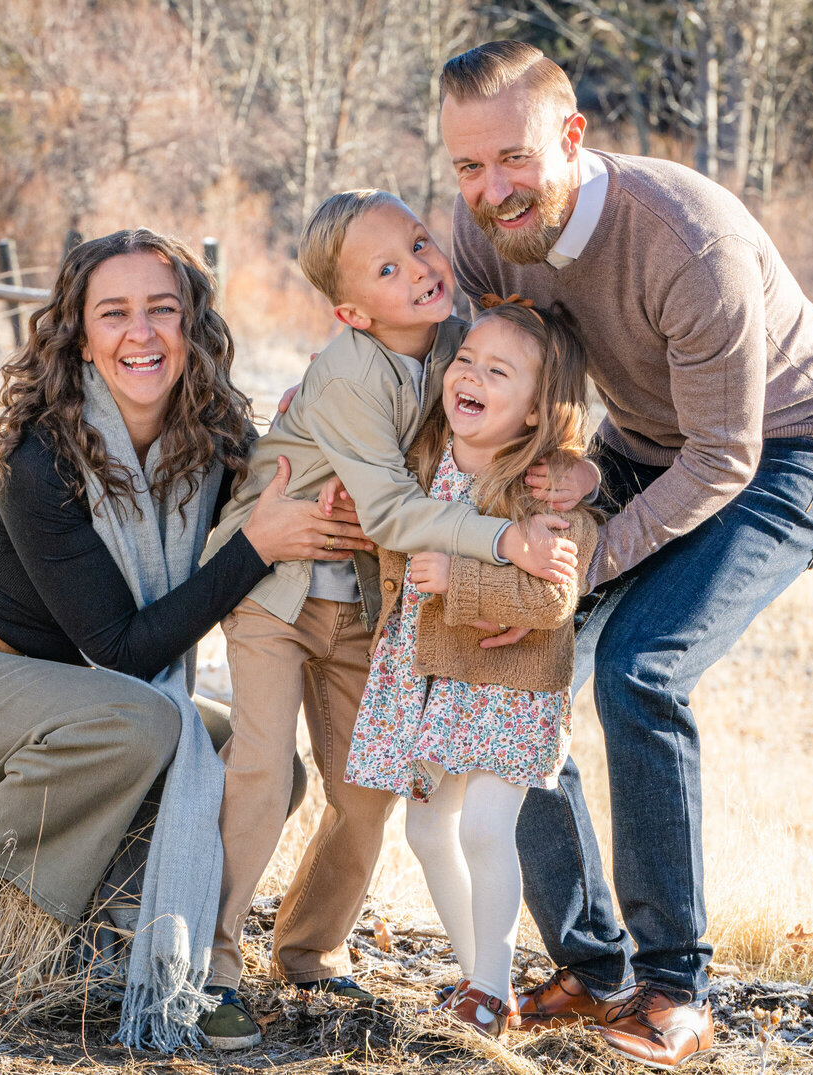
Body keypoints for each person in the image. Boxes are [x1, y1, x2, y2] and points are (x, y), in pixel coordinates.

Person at [438, 41, 813, 1068]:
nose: (490, 191)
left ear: (571, 137)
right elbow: (499, 378)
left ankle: (676, 986)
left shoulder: (686, 238)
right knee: (515, 651)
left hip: (784, 454)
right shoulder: (488, 230)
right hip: (634, 448)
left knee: (640, 670)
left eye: (512, 159)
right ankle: (597, 967)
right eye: (466, 167)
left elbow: (726, 452)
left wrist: (586, 557)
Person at [0, 229, 369, 1050]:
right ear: (80, 335)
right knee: (148, 720)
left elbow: (299, 481)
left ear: (192, 326)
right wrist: (255, 548)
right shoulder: (42, 461)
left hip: (76, 707)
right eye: (115, 313)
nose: (142, 333)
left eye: (162, 310)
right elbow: (125, 651)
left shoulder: (213, 442)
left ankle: (131, 934)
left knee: (262, 769)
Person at [195, 190, 584, 1050]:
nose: (418, 269)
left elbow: (528, 392)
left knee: (365, 789)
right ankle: (213, 966)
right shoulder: (345, 372)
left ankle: (305, 945)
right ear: (350, 310)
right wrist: (508, 541)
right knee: (261, 769)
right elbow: (400, 513)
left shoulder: (457, 343)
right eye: (387, 269)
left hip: (369, 604)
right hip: (278, 587)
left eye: (418, 244)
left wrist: (575, 474)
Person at [345, 298, 598, 1039]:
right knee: (427, 831)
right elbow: (391, 519)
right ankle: (478, 979)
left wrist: (461, 577)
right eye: (466, 361)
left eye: (499, 371)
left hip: (506, 689)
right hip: (428, 685)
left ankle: (490, 988)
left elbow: (553, 594)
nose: (472, 376)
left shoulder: (542, 487)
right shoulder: (426, 458)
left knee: (488, 828)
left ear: (534, 415)